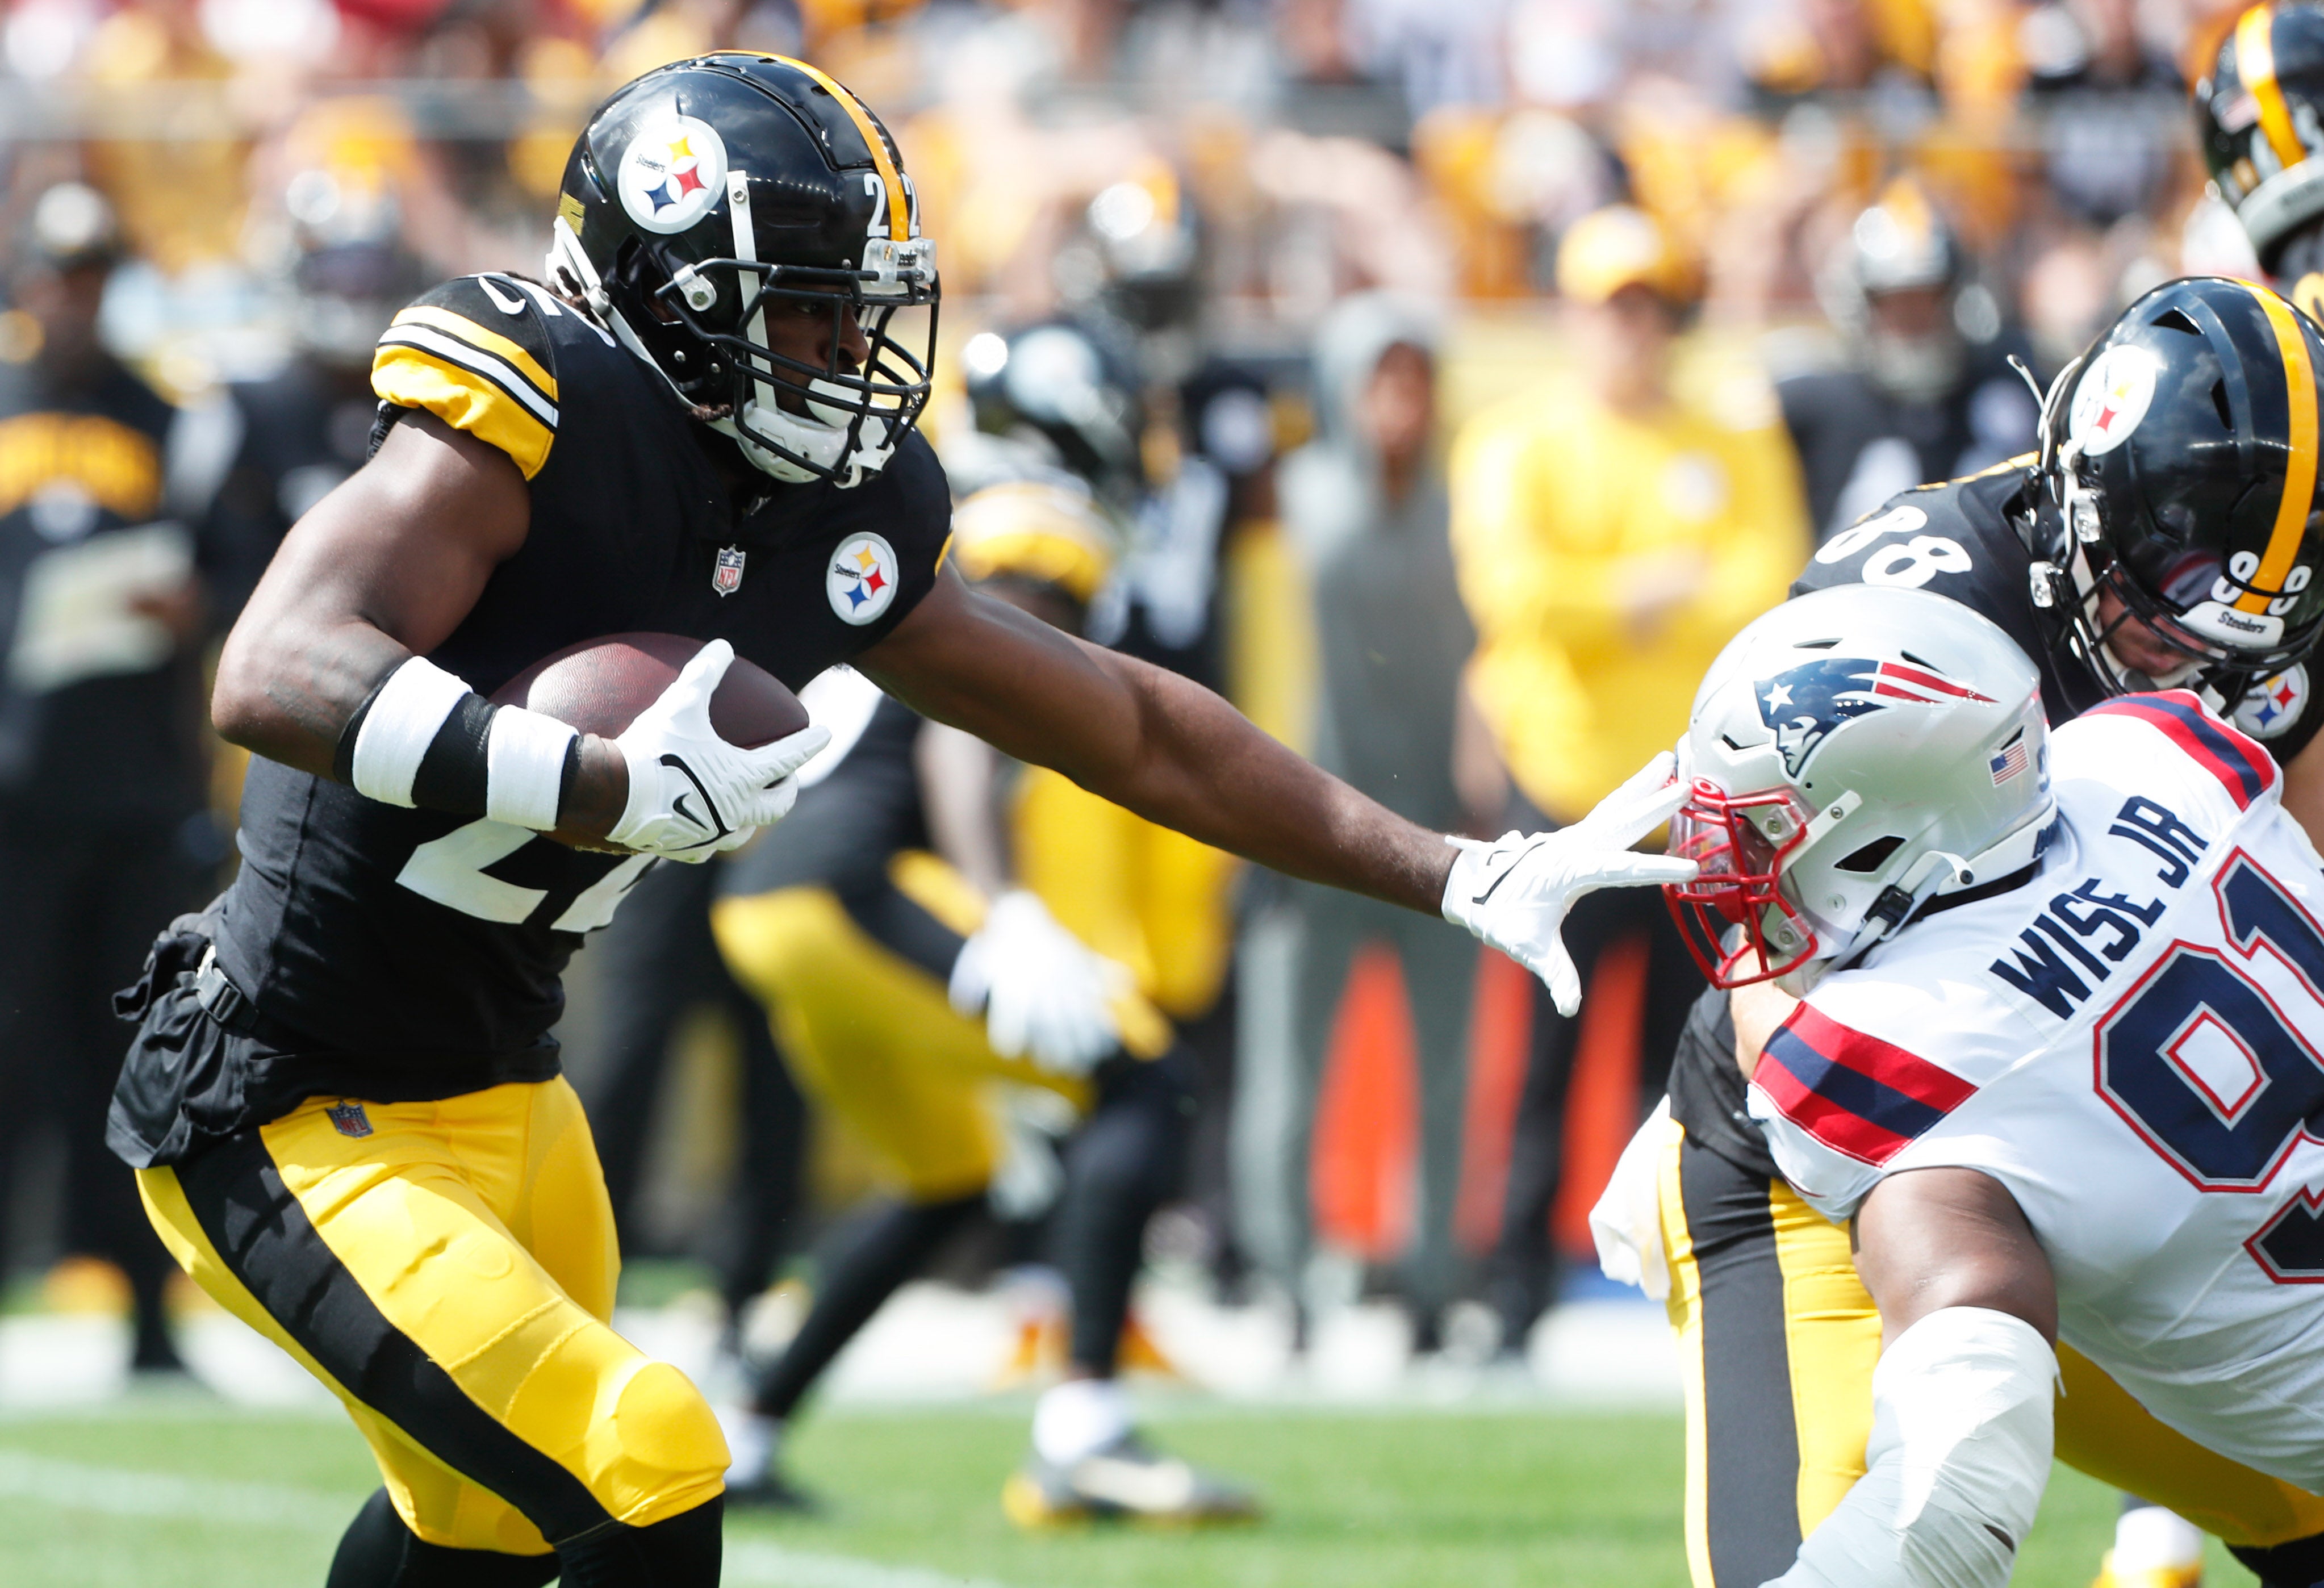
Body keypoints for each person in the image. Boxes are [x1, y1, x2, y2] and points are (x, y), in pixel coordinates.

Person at [103, 55, 1682, 1587]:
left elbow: (1127, 727)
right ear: (658, 292)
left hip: (514, 1106)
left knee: (483, 1532)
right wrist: (586, 780)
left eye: (857, 302)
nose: (843, 345)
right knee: (647, 1459)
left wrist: (1458, 865)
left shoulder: (832, 513)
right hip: (286, 1098)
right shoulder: (527, 420)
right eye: (798, 303)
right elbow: (274, 669)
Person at [1617, 274, 2324, 1588]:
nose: (2194, 662)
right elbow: (1755, 936)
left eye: (2243, 632)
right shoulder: (1914, 606)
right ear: (2078, 509)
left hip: (2088, 1139)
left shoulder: (2257, 614)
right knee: (1870, 1539)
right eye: (2154, 610)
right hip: (1818, 1149)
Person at [710, 476, 1253, 1525]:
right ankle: (1085, 1434)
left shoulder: (935, 543)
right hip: (851, 889)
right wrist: (1002, 908)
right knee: (1145, 1082)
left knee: (949, 1176)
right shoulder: (1026, 554)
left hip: (773, 903)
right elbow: (960, 727)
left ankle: (745, 1433)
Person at [1449, 203, 1809, 1351]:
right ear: (1576, 314)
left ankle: (1693, 1292)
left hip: (1690, 804)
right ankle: (1512, 1296)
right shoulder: (1518, 439)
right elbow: (1514, 594)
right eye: (1615, 306)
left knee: (1695, 1061)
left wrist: (1605, 598)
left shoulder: (1727, 433)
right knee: (1544, 1058)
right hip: (1563, 790)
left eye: (1651, 305)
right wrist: (1652, 592)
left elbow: (1769, 578)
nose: (1635, 329)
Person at [0, 181, 242, 1377]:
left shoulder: (174, 418)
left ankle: (152, 1321)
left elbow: (244, 577)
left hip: (141, 790)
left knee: (145, 1056)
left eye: (93, 276)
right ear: (27, 282)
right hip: (14, 794)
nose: (74, 297)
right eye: (58, 275)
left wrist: (198, 601)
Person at [1235, 291, 1478, 1352]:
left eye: (1413, 378)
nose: (1396, 402)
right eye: (1377, 377)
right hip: (1310, 818)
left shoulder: (1463, 506)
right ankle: (1286, 1276)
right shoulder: (1294, 496)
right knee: (1290, 1069)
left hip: (1440, 827)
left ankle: (1429, 1284)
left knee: (1444, 1069)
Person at [1780, 178, 2036, 543]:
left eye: (1927, 297)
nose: (1913, 318)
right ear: (1863, 304)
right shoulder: (1820, 404)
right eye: (1894, 300)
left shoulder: (2009, 384)